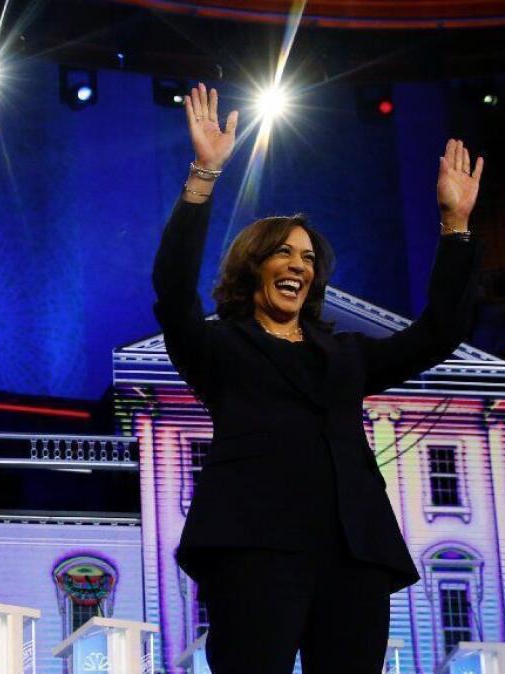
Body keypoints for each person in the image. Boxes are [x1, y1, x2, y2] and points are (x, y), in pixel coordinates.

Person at [153, 84, 483, 673]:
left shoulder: (345, 356)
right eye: (284, 253)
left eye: (308, 258)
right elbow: (173, 289)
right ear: (254, 267)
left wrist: (455, 227)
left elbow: (438, 333)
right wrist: (204, 175)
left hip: (352, 554)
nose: (299, 266)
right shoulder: (217, 347)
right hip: (254, 550)